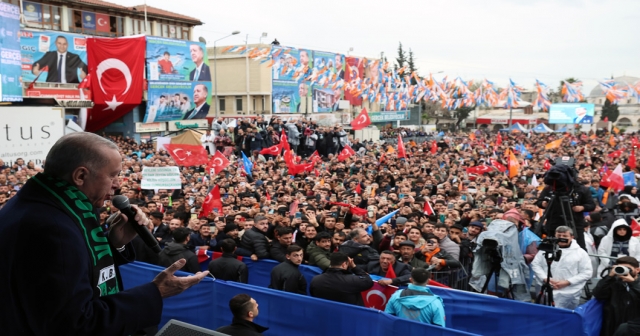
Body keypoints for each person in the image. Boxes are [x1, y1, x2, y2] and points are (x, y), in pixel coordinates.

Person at [0, 132, 207, 335]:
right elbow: (74, 324)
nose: (118, 184)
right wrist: (156, 292)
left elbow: (65, 272)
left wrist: (113, 245)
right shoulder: (53, 228)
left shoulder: (43, 204)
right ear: (80, 176)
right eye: (113, 175)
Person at [531, 226, 592, 310]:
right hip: (546, 288)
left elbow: (587, 272)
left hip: (568, 292)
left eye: (565, 236)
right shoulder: (546, 249)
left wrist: (567, 282)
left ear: (572, 237)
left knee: (564, 315)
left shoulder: (580, 253)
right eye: (559, 236)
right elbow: (535, 264)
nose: (561, 238)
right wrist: (545, 278)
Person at [593, 256, 640, 336]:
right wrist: (610, 276)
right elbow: (598, 294)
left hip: (633, 325)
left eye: (628, 268)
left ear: (637, 270)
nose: (624, 271)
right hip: (614, 321)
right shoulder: (614, 282)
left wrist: (633, 283)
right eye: (621, 268)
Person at [310, 252, 374, 306]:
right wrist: (354, 267)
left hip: (323, 315)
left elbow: (312, 294)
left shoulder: (315, 280)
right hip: (348, 317)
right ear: (344, 264)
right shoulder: (351, 281)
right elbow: (368, 281)